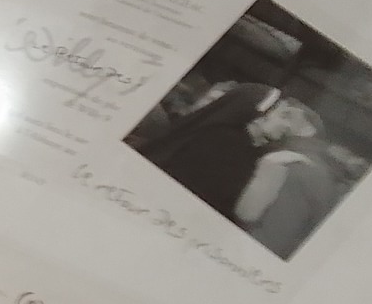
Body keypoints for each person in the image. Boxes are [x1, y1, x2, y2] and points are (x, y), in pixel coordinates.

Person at [134, 82, 283, 220]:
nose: (284, 124)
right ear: (257, 115)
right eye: (278, 113)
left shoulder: (219, 134)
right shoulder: (228, 144)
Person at [234, 98, 334, 259]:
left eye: (285, 115)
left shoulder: (296, 167)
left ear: (308, 129)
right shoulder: (297, 161)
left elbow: (269, 241)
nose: (270, 118)